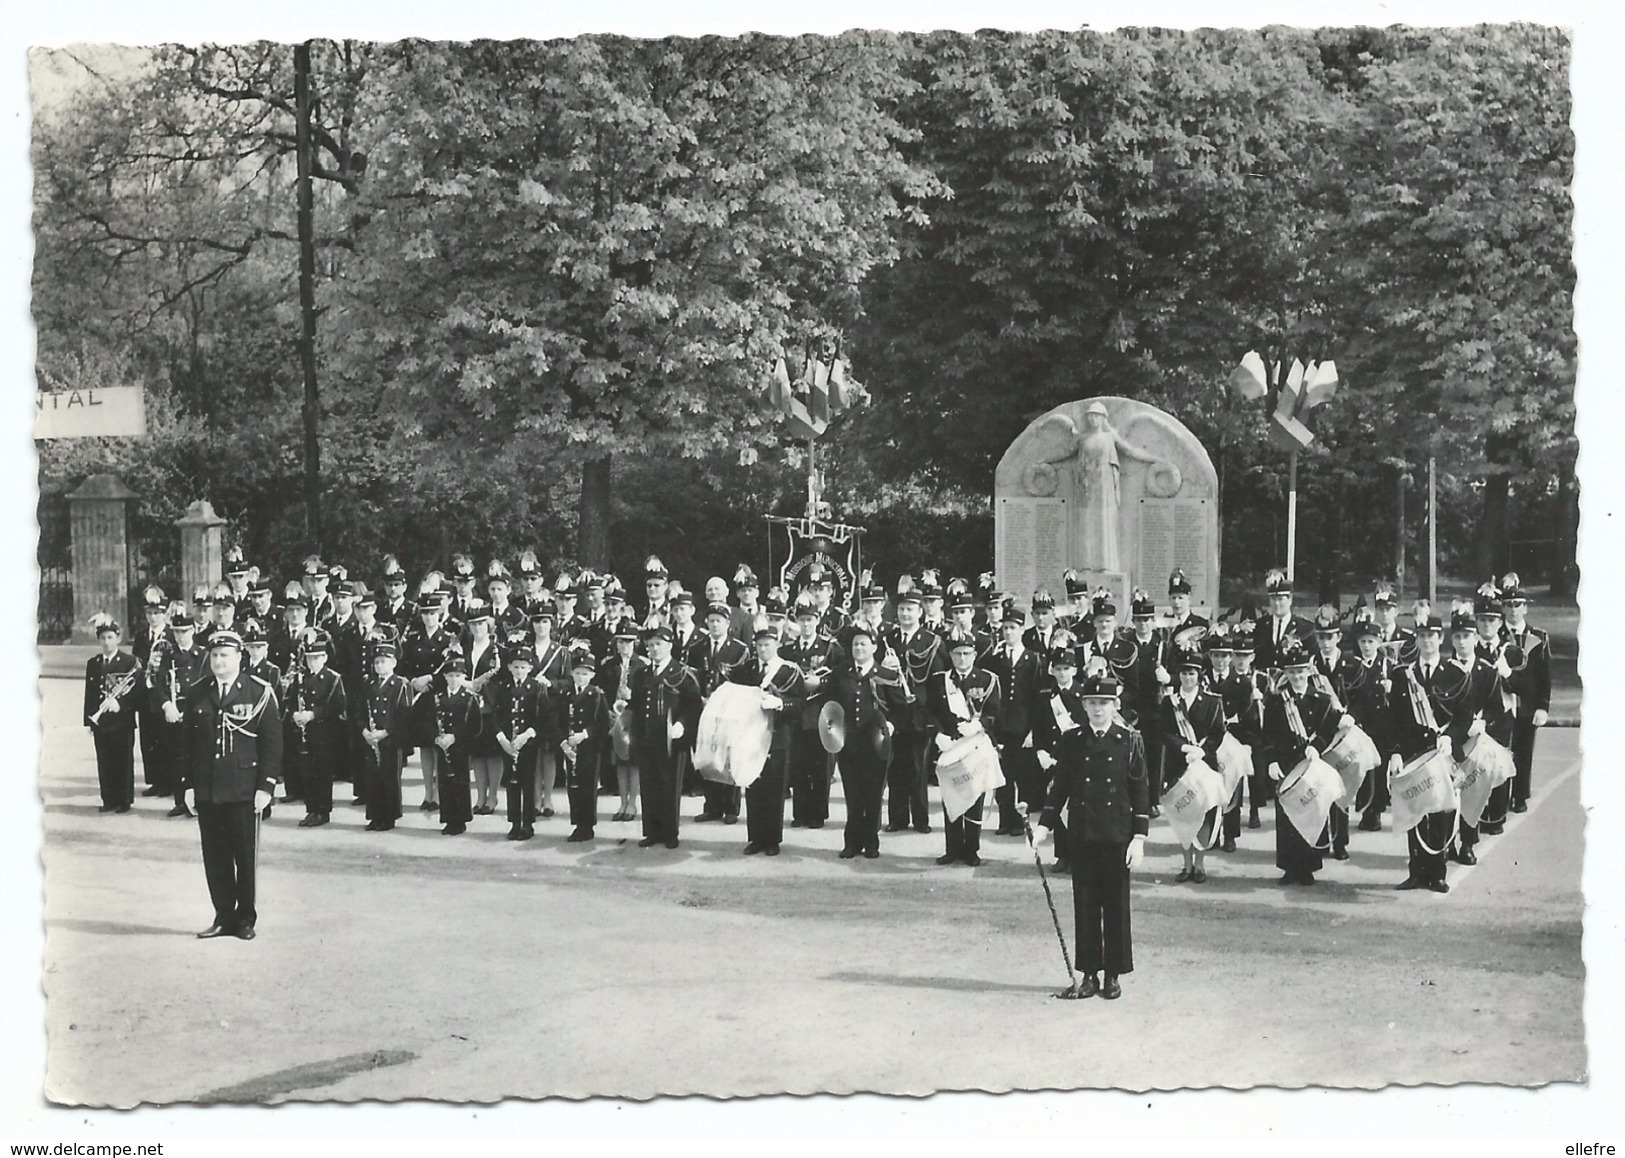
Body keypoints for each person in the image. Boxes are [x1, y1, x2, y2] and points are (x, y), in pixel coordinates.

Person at [1036, 669, 1150, 1000]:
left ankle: (1113, 973)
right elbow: (1060, 787)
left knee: (1115, 906)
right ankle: (1088, 974)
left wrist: (1139, 838)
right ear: (1083, 706)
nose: (1098, 709)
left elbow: (1140, 791)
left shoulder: (1130, 740)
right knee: (1085, 905)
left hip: (1117, 834)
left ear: (1115, 705)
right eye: (1092, 703)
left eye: (1104, 702)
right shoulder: (1071, 740)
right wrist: (1044, 825)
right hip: (1083, 834)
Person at [178, 629, 281, 940]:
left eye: (225, 655)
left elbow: (272, 742)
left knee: (244, 855)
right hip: (208, 788)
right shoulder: (197, 692)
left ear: (239, 657)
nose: (219, 661)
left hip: (244, 788)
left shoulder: (258, 691)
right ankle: (223, 916)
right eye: (214, 655)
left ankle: (245, 919)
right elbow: (187, 745)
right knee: (215, 855)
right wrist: (188, 786)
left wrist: (266, 786)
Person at [1261, 636, 1345, 886]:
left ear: (1308, 671)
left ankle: (1308, 866)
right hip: (1287, 763)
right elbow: (1269, 733)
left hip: (1311, 763)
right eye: (1292, 672)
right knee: (1288, 814)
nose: (1297, 676)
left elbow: (1328, 729)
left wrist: (1316, 747)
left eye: (1301, 671)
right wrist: (1272, 760)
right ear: (1286, 673)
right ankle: (1289, 866)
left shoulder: (1321, 699)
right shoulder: (1277, 700)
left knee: (1311, 812)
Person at [827, 623, 912, 859]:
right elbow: (831, 704)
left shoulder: (886, 675)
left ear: (874, 647)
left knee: (873, 794)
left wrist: (891, 726)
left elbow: (901, 708)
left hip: (877, 744)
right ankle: (851, 843)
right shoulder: (840, 672)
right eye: (855, 644)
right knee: (853, 794)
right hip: (848, 744)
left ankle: (871, 843)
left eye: (864, 643)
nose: (859, 648)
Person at [1386, 613, 1455, 893]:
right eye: (1422, 636)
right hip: (1413, 752)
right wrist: (1395, 752)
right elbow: (1394, 718)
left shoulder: (1453, 673)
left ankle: (1437, 872)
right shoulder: (1404, 675)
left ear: (1440, 638)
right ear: (1417, 639)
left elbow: (1463, 714)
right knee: (1415, 810)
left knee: (1438, 810)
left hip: (1439, 752)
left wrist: (1451, 737)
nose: (1427, 641)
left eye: (1432, 635)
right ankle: (1416, 872)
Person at [728, 622, 807, 856]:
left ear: (777, 645)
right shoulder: (748, 669)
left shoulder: (789, 671)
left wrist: (781, 703)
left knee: (774, 788)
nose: (763, 649)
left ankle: (772, 839)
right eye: (759, 645)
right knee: (753, 786)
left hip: (777, 736)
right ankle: (756, 837)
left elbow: (800, 705)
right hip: (751, 735)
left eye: (767, 645)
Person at [929, 630, 1001, 867]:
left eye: (967, 654)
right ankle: (952, 848)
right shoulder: (940, 679)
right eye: (957, 654)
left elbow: (994, 712)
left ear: (974, 654)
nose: (962, 659)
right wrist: (938, 734)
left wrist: (979, 725)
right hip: (950, 744)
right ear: (950, 654)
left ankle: (971, 849)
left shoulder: (987, 679)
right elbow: (932, 710)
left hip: (975, 744)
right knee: (951, 794)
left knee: (974, 796)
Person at [1157, 644, 1227, 883]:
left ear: (1200, 676)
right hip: (1179, 763)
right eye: (1184, 673)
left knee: (1204, 813)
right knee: (1183, 814)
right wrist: (1184, 748)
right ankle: (1186, 864)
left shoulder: (1212, 700)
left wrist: (1201, 751)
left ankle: (1200, 864)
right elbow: (1164, 731)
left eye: (1192, 673)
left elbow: (1218, 732)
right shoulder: (1170, 702)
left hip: (1205, 764)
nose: (1188, 678)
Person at [629, 625, 703, 849]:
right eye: (650, 645)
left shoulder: (681, 673)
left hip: (672, 740)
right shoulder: (641, 673)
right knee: (649, 784)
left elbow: (693, 705)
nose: (654, 649)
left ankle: (670, 832)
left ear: (669, 646)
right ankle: (652, 831)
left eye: (658, 644)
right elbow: (637, 704)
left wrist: (682, 725)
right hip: (646, 737)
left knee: (669, 786)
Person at [884, 575, 945, 834]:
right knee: (895, 767)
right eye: (901, 609)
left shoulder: (931, 641)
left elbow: (938, 682)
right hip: (894, 714)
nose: (905, 614)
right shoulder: (888, 639)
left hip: (920, 715)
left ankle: (921, 819)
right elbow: (878, 677)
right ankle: (897, 819)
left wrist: (933, 716)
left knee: (918, 769)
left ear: (920, 612)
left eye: (910, 609)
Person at [781, 594, 844, 829]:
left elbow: (839, 679)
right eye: (802, 620)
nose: (806, 625)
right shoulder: (788, 651)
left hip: (821, 714)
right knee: (797, 764)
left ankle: (817, 813)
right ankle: (800, 812)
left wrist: (821, 684)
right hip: (797, 715)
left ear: (817, 620)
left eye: (810, 619)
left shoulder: (830, 648)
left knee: (820, 766)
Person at [980, 607, 1043, 835]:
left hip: (1023, 727)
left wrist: (1033, 730)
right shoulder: (995, 659)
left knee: (1023, 776)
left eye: (1013, 628)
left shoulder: (1033, 659)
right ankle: (1004, 819)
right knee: (1001, 776)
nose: (1008, 632)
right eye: (1005, 628)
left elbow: (1038, 698)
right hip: (1000, 725)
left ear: (1022, 629)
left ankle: (1020, 821)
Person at [401, 577, 459, 813]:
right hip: (420, 700)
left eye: (433, 613)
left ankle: (442, 793)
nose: (429, 617)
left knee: (440, 746)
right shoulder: (413, 639)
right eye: (425, 613)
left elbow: (452, 669)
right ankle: (428, 794)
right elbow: (403, 665)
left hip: (439, 698)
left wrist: (431, 681)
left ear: (439, 613)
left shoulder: (448, 640)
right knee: (425, 748)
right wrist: (414, 681)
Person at [690, 600, 750, 824]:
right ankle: (711, 806)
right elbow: (693, 677)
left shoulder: (739, 649)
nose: (715, 625)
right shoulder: (698, 648)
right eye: (711, 621)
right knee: (708, 755)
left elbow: (743, 681)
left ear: (728, 623)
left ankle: (731, 807)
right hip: (704, 708)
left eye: (719, 621)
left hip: (728, 710)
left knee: (727, 757)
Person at [1498, 572, 1551, 813]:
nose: (1513, 610)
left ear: (1525, 608)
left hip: (1527, 704)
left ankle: (1520, 795)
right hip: (1502, 704)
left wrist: (1543, 705)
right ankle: (1499, 798)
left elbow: (1544, 675)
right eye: (1508, 605)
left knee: (1523, 750)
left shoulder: (1539, 637)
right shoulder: (1496, 637)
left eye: (1518, 605)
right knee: (1501, 750)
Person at [1337, 618, 1396, 832]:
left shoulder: (1387, 665)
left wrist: (1392, 688)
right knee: (1363, 769)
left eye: (1371, 641)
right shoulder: (1352, 665)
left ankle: (1376, 811)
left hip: (1383, 725)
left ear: (1379, 641)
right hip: (1361, 725)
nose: (1367, 646)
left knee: (1379, 769)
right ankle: (1365, 809)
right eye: (1363, 641)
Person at [83, 613, 142, 814]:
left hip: (122, 720)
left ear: (118, 638)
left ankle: (124, 800)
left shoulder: (129, 661)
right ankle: (108, 798)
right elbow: (89, 694)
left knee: (122, 760)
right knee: (104, 759)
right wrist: (89, 720)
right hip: (102, 721)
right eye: (103, 638)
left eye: (110, 637)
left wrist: (121, 705)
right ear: (98, 640)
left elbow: (137, 693)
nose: (107, 642)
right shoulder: (94, 663)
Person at [291, 629, 348, 828]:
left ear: (324, 657)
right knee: (308, 772)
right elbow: (291, 701)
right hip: (305, 733)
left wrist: (314, 714)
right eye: (309, 659)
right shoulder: (301, 678)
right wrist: (295, 715)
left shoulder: (333, 678)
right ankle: (311, 809)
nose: (312, 662)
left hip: (325, 733)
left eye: (316, 658)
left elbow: (338, 705)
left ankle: (322, 811)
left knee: (322, 772)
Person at [158, 612, 209, 817]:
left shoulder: (203, 655)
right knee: (177, 759)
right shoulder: (168, 656)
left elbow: (207, 685)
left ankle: (200, 802)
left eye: (184, 631)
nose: (180, 636)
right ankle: (181, 801)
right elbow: (158, 684)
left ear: (193, 631)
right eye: (177, 632)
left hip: (196, 715)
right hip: (174, 716)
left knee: (199, 758)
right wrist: (167, 705)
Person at [359, 640, 412, 832]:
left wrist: (386, 732)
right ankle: (375, 815)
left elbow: (404, 715)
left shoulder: (400, 684)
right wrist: (365, 731)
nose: (379, 666)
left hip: (390, 739)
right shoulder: (368, 683)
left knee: (390, 777)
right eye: (377, 662)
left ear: (393, 663)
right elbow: (360, 711)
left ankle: (389, 816)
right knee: (373, 777)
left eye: (384, 661)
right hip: (371, 738)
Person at [494, 648, 547, 841]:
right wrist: (503, 740)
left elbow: (542, 717)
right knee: (512, 782)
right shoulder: (502, 687)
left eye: (523, 667)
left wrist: (526, 735)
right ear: (509, 667)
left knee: (528, 781)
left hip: (528, 742)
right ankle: (514, 823)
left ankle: (528, 823)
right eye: (515, 667)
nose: (519, 671)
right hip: (509, 743)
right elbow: (495, 716)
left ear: (530, 668)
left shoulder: (537, 687)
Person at [561, 650, 612, 842]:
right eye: (577, 672)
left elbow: (603, 723)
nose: (581, 677)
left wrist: (584, 734)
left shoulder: (596, 695)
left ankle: (587, 825)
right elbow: (557, 720)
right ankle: (577, 823)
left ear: (592, 675)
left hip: (589, 747)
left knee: (588, 786)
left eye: (585, 673)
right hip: (570, 747)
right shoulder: (565, 693)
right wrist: (563, 743)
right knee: (572, 785)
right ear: (572, 673)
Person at [598, 622, 646, 822]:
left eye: (628, 642)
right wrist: (608, 712)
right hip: (614, 718)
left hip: (633, 717)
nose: (624, 646)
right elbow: (601, 690)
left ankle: (633, 803)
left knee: (633, 761)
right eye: (621, 642)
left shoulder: (643, 664)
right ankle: (622, 801)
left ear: (635, 643)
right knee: (619, 760)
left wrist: (632, 694)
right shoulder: (608, 664)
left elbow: (646, 694)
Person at [430, 656, 482, 835]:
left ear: (464, 678)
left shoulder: (468, 698)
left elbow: (475, 726)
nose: (454, 679)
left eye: (458, 676)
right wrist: (436, 738)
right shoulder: (438, 697)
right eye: (450, 675)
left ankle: (460, 820)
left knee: (460, 782)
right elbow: (429, 721)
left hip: (460, 747)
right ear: (445, 677)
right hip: (442, 745)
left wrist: (456, 737)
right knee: (445, 782)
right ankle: (448, 818)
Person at [1252, 568, 1315, 675]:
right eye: (1273, 599)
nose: (1277, 604)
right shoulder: (1259, 626)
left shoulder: (1305, 629)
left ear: (1290, 599)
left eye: (1281, 599)